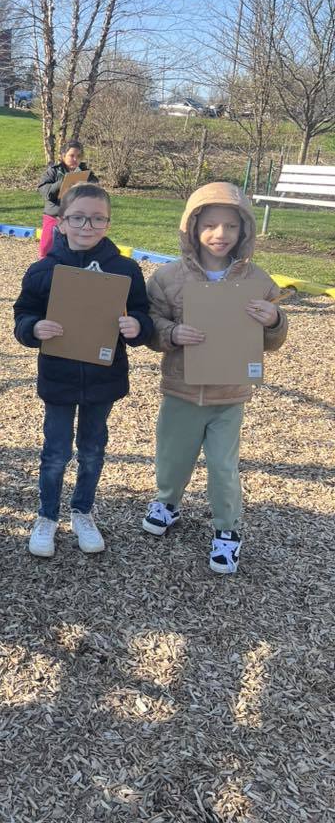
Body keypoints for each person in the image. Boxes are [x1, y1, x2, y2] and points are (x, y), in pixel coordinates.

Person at [143, 181, 288, 574]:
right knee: (172, 456)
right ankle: (167, 502)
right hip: (181, 387)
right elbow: (151, 324)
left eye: (230, 226)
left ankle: (227, 530)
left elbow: (273, 337)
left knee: (223, 467)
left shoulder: (257, 279)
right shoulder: (168, 277)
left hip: (229, 393)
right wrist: (172, 334)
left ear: (244, 230)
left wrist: (273, 319)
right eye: (209, 225)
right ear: (192, 228)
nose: (220, 235)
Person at [14, 182, 154, 557]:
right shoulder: (43, 270)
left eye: (97, 219)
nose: (86, 226)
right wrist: (33, 328)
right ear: (60, 222)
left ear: (108, 223)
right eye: (77, 218)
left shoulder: (124, 269)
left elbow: (143, 314)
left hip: (102, 378)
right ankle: (46, 516)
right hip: (58, 376)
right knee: (55, 452)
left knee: (92, 449)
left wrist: (137, 327)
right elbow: (23, 313)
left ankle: (82, 511)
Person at [37, 140, 97, 259]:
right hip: (54, 216)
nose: (75, 159)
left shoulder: (86, 173)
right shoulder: (53, 171)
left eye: (78, 156)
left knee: (73, 251)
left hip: (77, 218)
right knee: (46, 250)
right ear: (63, 156)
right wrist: (64, 181)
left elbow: (96, 188)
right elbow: (46, 192)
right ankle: (43, 272)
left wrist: (86, 184)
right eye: (72, 155)